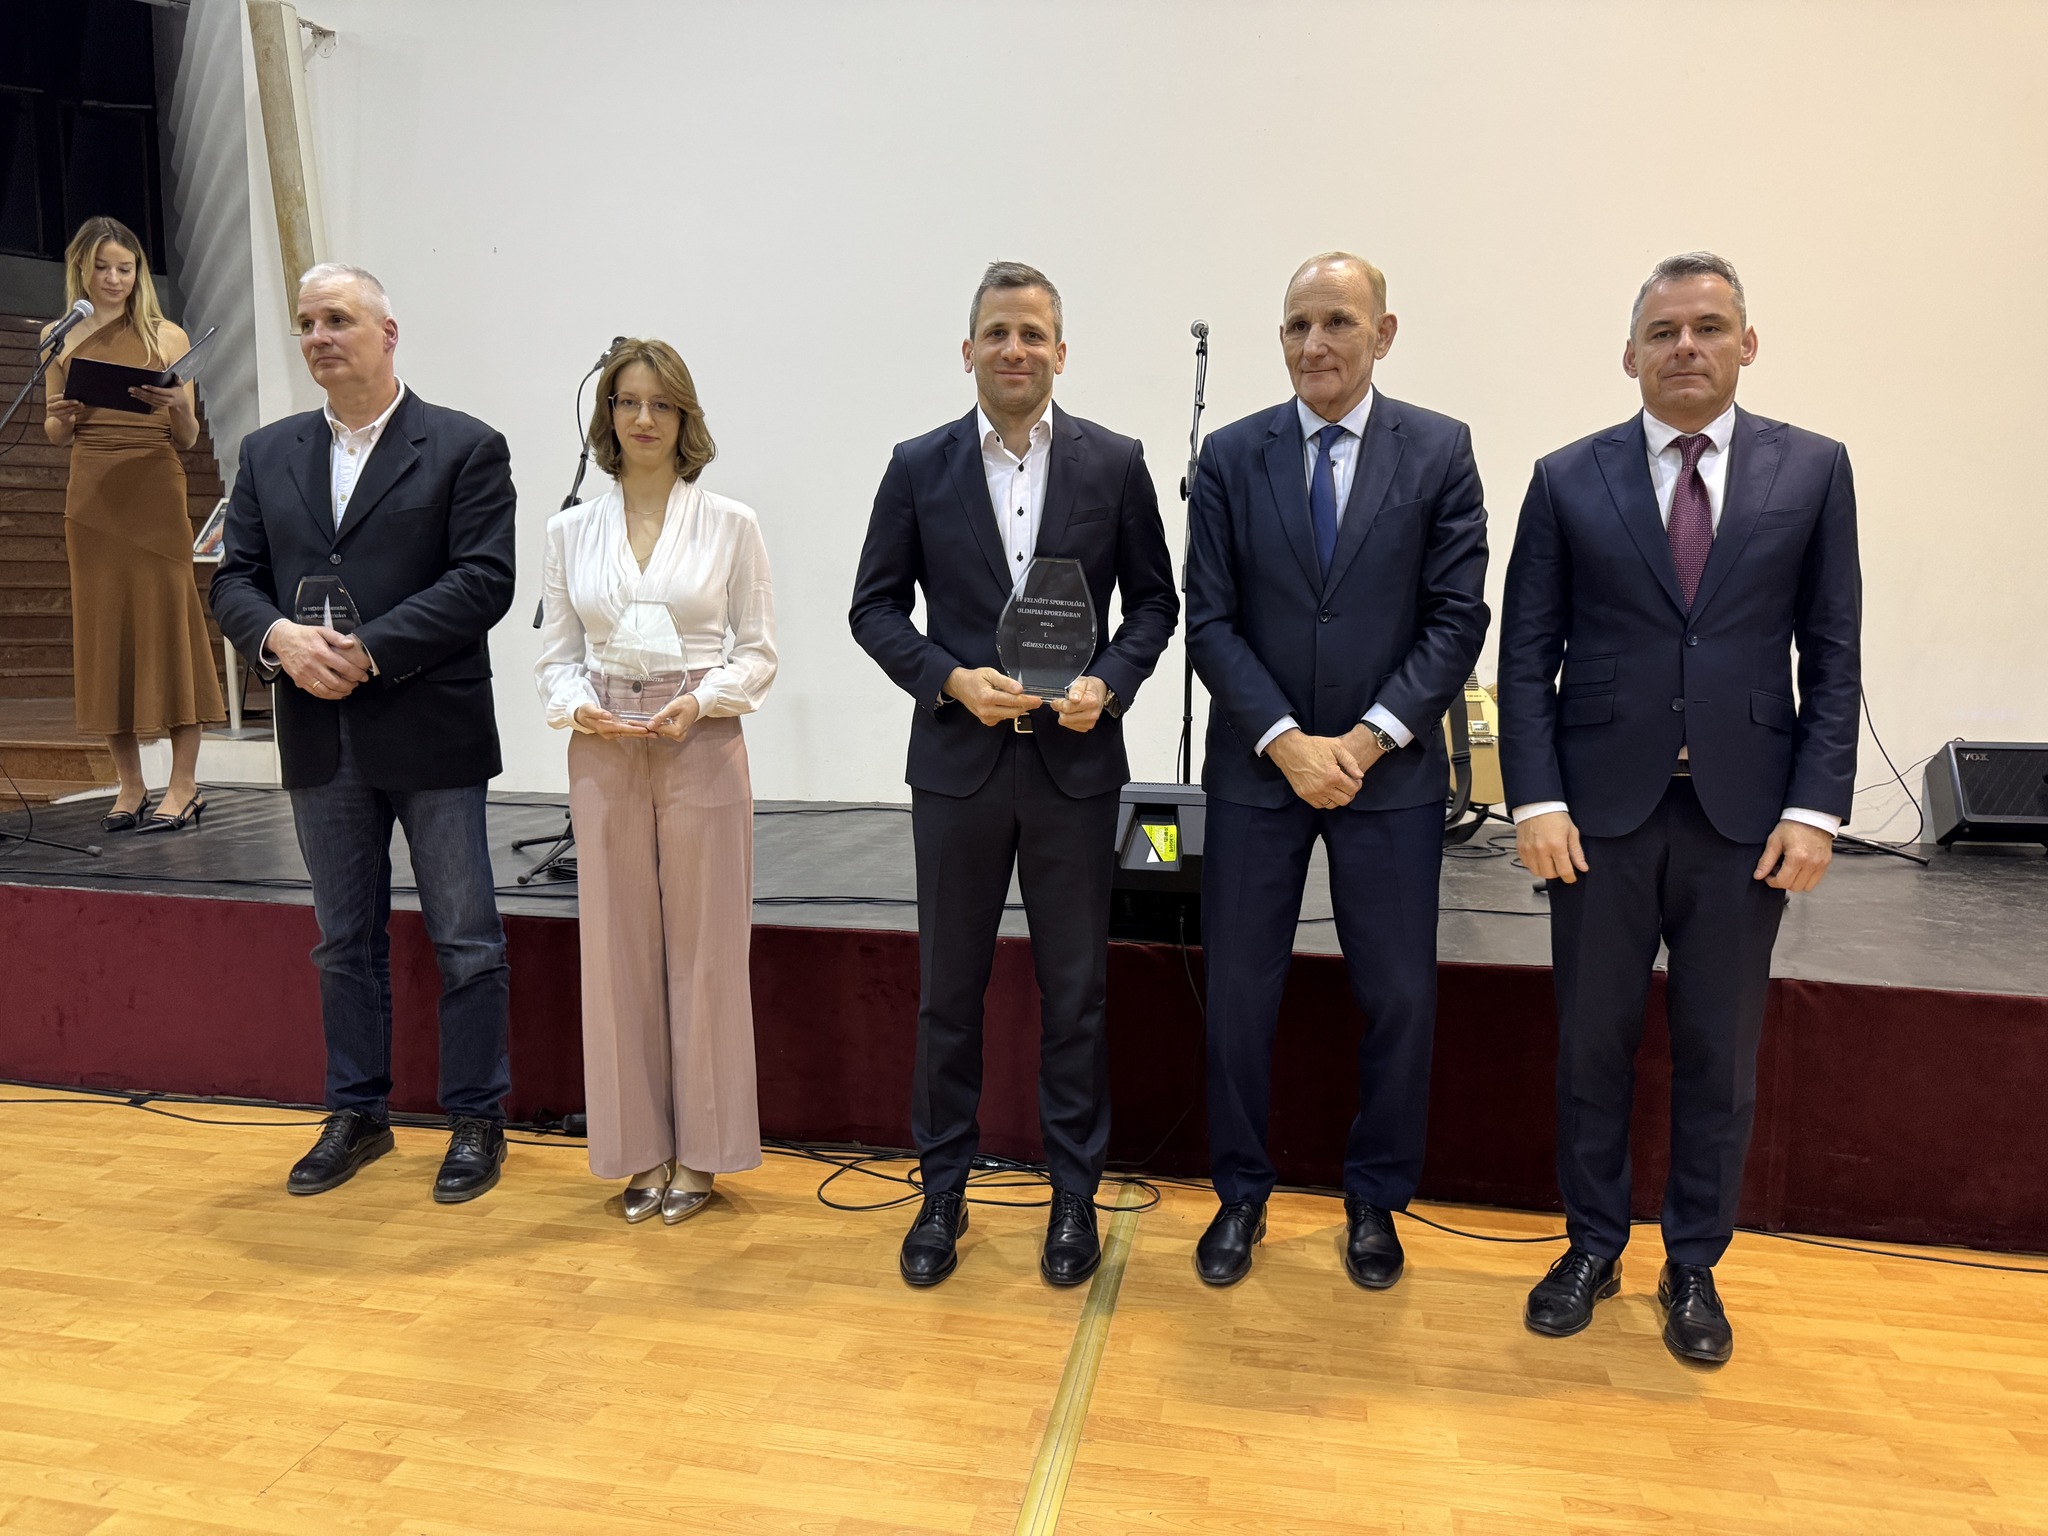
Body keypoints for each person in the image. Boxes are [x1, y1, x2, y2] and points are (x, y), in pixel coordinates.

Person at [1500, 253, 1859, 1364]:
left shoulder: (1813, 470)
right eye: (1662, 332)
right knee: (1590, 1048)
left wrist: (1816, 807)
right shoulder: (1566, 477)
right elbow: (1525, 656)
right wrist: (1534, 798)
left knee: (1719, 1055)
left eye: (1707, 327)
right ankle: (1590, 1246)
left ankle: (1693, 1262)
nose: (1685, 347)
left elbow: (1832, 650)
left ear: (1747, 343)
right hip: (1597, 819)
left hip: (1741, 821)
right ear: (1629, 355)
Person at [850, 261, 1178, 1288]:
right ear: (968, 351)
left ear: (1060, 353)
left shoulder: (1114, 462)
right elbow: (872, 608)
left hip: (1075, 769)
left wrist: (1109, 685)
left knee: (1075, 997)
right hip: (958, 768)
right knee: (947, 994)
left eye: (1032, 333)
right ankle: (941, 1191)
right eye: (997, 332)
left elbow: (1154, 606)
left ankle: (1072, 1196)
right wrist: (947, 680)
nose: (1014, 349)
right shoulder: (917, 465)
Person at [1184, 252, 1489, 1291]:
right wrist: (1284, 739)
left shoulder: (1439, 450)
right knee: (1237, 995)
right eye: (1296, 325)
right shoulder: (1231, 457)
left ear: (1383, 334)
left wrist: (1362, 742)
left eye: (1337, 323)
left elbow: (1456, 619)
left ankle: (1374, 1199)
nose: (1314, 344)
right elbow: (1209, 619)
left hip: (1386, 776)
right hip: (1257, 769)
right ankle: (1239, 1192)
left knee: (1398, 996)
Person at [211, 262, 518, 1204]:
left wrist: (371, 650)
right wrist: (277, 638)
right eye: (306, 323)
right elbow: (234, 580)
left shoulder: (464, 445)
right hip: (317, 728)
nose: (318, 337)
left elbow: (483, 580)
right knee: (342, 939)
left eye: (337, 319)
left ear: (388, 333)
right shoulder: (268, 452)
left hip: (430, 727)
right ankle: (357, 1112)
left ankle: (477, 1118)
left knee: (466, 938)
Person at [536, 338, 775, 1225]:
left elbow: (758, 651)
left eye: (660, 404)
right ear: (607, 414)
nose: (643, 418)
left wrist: (703, 701)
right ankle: (638, 1151)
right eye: (627, 402)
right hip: (604, 743)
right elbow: (557, 656)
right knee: (616, 951)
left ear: (685, 417)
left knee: (707, 951)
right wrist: (577, 708)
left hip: (699, 736)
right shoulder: (570, 531)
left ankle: (704, 1155)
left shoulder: (731, 523)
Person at [41, 216, 226, 831]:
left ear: (138, 272)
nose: (114, 278)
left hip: (154, 485)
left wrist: (176, 405)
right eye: (102, 267)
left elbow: (189, 436)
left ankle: (184, 783)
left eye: (125, 267)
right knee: (106, 631)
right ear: (81, 269)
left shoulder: (167, 336)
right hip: (92, 494)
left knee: (171, 624)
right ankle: (129, 784)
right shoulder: (57, 336)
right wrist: (64, 416)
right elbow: (53, 431)